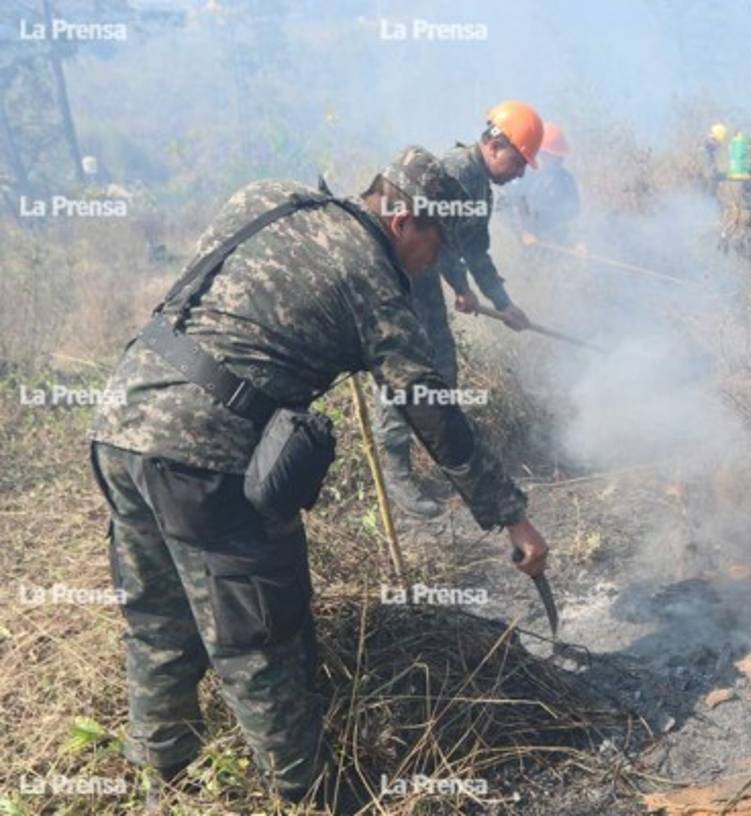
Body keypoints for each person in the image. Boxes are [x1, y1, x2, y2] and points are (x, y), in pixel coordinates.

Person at [87, 146, 550, 806]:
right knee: (261, 647)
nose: (435, 264)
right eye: (436, 245)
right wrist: (511, 513)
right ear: (402, 221)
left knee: (159, 622)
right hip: (205, 459)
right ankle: (308, 801)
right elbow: (431, 408)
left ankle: (164, 785)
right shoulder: (376, 282)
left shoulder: (268, 197)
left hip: (121, 423)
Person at [371, 101, 543, 519]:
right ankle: (397, 473)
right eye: (519, 161)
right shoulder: (455, 171)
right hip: (406, 278)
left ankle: (448, 460)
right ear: (495, 145)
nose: (520, 173)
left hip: (426, 280)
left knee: (442, 371)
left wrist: (504, 303)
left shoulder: (481, 185)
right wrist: (462, 288)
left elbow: (476, 251)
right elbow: (436, 238)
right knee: (403, 369)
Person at [503, 121, 580, 247]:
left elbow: (570, 217)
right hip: (519, 244)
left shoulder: (566, 181)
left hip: (552, 246)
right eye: (553, 157)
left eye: (559, 157)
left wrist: (576, 242)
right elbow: (504, 210)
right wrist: (522, 234)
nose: (558, 162)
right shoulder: (518, 175)